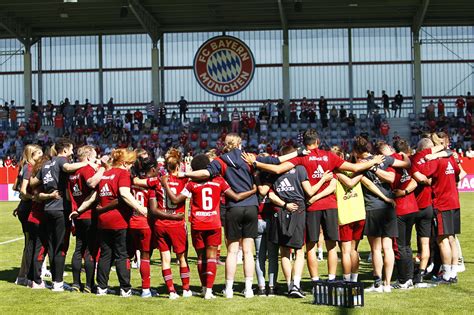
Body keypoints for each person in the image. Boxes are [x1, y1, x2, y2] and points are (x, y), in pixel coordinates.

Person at [243, 129, 384, 285]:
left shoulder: (302, 157)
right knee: (331, 246)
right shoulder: (330, 156)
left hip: (311, 205)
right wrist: (374, 161)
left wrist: (255, 163)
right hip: (330, 205)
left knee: (310, 246)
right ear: (318, 142)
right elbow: (355, 168)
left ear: (304, 143)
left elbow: (277, 169)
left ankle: (315, 281)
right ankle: (331, 279)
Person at [165, 154, 257, 299]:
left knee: (201, 257)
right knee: (212, 257)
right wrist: (253, 191)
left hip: (197, 223)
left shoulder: (191, 183)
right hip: (213, 223)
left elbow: (176, 199)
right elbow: (236, 197)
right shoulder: (218, 181)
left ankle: (203, 288)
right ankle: (208, 291)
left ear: (194, 168)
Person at [259, 145, 335, 298]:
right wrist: (323, 179)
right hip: (299, 209)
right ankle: (296, 285)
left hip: (280, 211)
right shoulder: (300, 169)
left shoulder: (274, 172)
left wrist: (283, 204)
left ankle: (289, 286)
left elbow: (266, 193)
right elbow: (310, 191)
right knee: (299, 250)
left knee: (284, 251)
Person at [70, 148, 148, 297]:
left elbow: (93, 198)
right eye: (130, 163)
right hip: (119, 221)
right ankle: (125, 288)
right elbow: (124, 194)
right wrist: (141, 208)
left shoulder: (104, 175)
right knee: (121, 254)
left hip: (102, 222)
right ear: (125, 163)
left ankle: (102, 287)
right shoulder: (123, 174)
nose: (131, 166)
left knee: (105, 254)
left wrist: (78, 210)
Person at [29, 139, 95, 292]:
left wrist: (46, 193)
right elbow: (67, 167)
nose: (72, 153)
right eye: (71, 150)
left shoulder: (46, 164)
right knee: (60, 247)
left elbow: (33, 181)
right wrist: (87, 163)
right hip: (60, 209)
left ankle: (55, 281)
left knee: (52, 246)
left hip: (47, 209)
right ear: (64, 150)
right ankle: (58, 283)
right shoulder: (61, 160)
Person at [132, 156, 185, 298]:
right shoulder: (155, 183)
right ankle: (146, 290)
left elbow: (135, 181)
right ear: (154, 169)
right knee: (146, 256)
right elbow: (154, 210)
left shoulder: (137, 181)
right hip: (146, 223)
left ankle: (124, 288)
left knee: (125, 255)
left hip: (132, 221)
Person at [352, 136, 397, 293]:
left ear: (356, 151)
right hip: (389, 207)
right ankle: (387, 284)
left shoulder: (360, 165)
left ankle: (377, 283)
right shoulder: (382, 160)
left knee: (376, 249)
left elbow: (368, 184)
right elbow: (394, 174)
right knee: (388, 247)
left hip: (372, 207)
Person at [67, 145, 105, 293]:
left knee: (78, 249)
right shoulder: (86, 169)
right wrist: (101, 169)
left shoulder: (73, 172)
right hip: (89, 213)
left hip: (77, 215)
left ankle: (76, 283)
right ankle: (89, 285)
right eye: (94, 157)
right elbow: (92, 183)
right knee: (90, 250)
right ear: (89, 157)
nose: (96, 160)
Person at [331, 146, 367, 283]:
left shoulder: (334, 174)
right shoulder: (356, 170)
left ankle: (346, 280)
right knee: (354, 250)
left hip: (345, 215)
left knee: (345, 251)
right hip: (359, 213)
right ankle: (354, 279)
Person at [13, 144, 43, 286]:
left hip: (25, 207)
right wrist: (35, 198)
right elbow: (23, 191)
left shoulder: (28, 167)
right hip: (28, 209)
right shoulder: (29, 168)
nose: (41, 156)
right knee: (30, 243)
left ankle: (26, 274)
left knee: (30, 243)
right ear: (32, 155)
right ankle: (24, 275)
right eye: (39, 154)